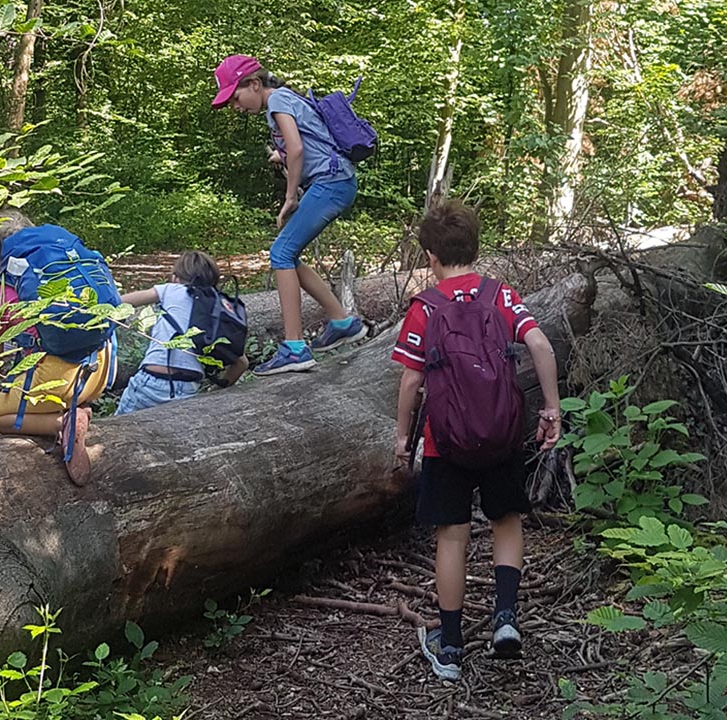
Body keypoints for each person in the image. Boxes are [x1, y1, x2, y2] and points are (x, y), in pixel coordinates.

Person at [391, 200, 562, 680]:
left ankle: (450, 647)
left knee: (452, 536)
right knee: (506, 520)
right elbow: (542, 346)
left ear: (431, 256)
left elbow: (410, 382)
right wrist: (551, 409)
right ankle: (505, 618)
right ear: (475, 247)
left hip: (446, 440)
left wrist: (403, 437)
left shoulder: (425, 309)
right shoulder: (501, 296)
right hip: (502, 434)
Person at [212, 55, 367, 375]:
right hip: (336, 182)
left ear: (254, 84)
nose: (236, 107)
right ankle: (342, 322)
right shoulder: (284, 100)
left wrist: (290, 195)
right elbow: (300, 147)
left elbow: (296, 149)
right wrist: (278, 156)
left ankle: (294, 348)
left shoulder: (278, 101)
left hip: (331, 184)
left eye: (236, 98)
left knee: (281, 252)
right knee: (289, 256)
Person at [0, 210, 114, 485]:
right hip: (98, 372)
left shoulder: (1, 295)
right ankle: (76, 408)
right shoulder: (63, 272)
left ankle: (61, 424)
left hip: (56, 382)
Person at [115, 251, 249, 415]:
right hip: (188, 388)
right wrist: (215, 392)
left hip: (152, 380)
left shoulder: (171, 290)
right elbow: (242, 363)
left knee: (117, 431)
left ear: (175, 277)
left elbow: (121, 302)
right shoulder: (217, 307)